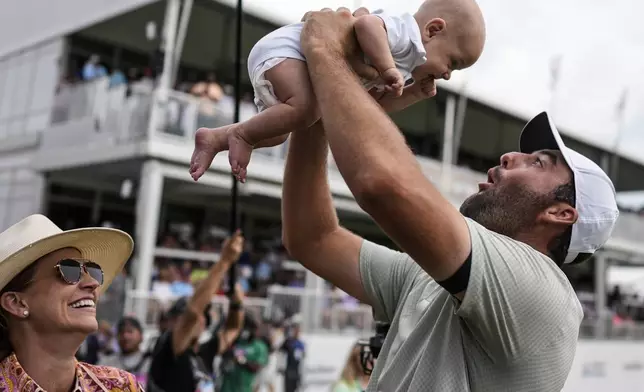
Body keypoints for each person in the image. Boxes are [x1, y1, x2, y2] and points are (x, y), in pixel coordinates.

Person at [280, 7, 619, 392]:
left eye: (539, 162)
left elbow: (383, 184)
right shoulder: (433, 277)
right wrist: (317, 115)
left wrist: (326, 53)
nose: (510, 156)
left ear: (561, 213)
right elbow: (314, 239)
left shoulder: (543, 292)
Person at [188, 0, 486, 183]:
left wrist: (413, 94)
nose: (447, 74)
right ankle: (243, 135)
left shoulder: (405, 68)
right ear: (433, 30)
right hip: (289, 50)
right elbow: (368, 25)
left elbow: (373, 107)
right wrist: (386, 68)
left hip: (296, 65)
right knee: (304, 110)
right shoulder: (404, 37)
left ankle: (216, 138)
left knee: (281, 131)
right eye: (453, 62)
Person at [0, 214, 143, 390]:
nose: (93, 283)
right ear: (16, 303)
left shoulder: (122, 387)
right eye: (69, 270)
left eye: (92, 270)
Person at [148, 231, 245, 392]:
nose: (199, 320)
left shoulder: (203, 353)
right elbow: (192, 312)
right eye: (180, 318)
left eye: (203, 317)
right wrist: (225, 261)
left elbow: (232, 329)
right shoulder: (167, 347)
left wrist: (236, 305)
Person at [218, 312, 269, 392]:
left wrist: (243, 361)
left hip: (245, 388)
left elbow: (257, 367)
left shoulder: (259, 346)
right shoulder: (235, 342)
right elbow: (222, 352)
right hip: (227, 387)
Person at [99, 316, 151, 386]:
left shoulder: (150, 363)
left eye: (130, 331)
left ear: (141, 336)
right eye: (121, 332)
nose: (125, 336)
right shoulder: (106, 363)